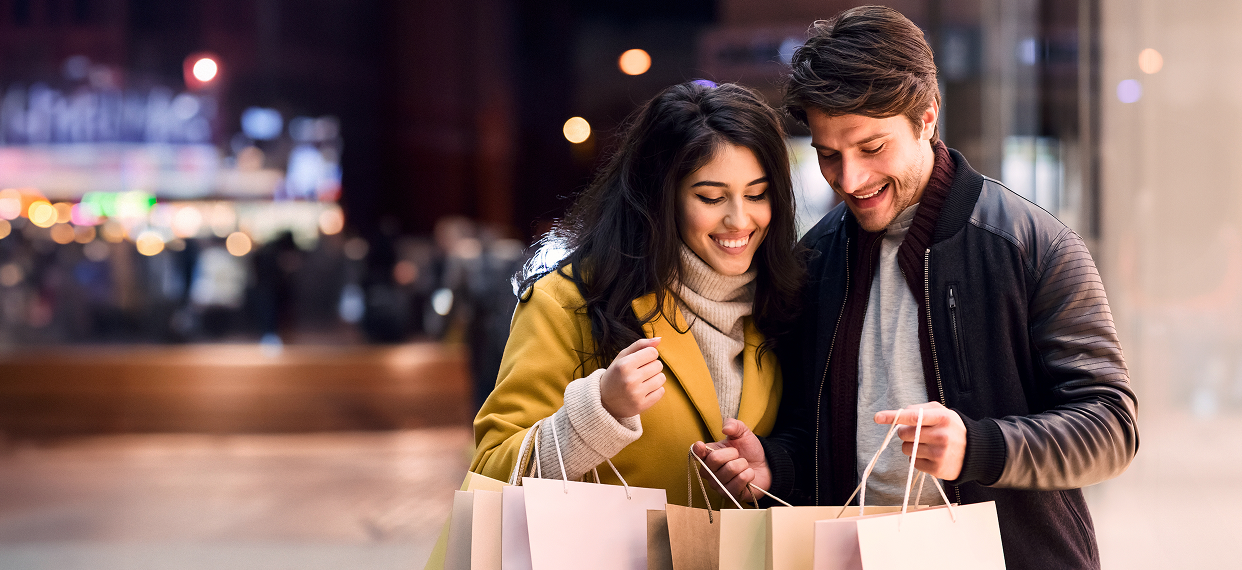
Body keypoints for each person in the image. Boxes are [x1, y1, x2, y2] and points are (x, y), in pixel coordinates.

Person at [692, 7, 1138, 569]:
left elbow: (1111, 426)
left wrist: (978, 446)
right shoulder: (816, 258)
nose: (850, 180)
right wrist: (772, 464)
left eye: (872, 148)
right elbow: (814, 430)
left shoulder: (1030, 244)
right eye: (829, 155)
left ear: (927, 118)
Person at [470, 81, 806, 505]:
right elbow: (490, 473)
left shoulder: (782, 301)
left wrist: (770, 466)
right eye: (711, 197)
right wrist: (599, 411)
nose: (739, 219)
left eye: (757, 194)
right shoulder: (569, 299)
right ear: (661, 198)